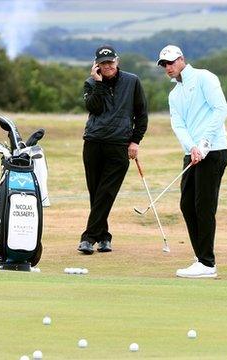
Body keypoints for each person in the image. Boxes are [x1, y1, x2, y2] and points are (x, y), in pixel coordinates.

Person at [157, 45, 227, 278]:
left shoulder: (204, 78)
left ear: (182, 59)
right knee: (187, 204)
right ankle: (201, 258)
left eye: (170, 62)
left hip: (214, 150)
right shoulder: (174, 94)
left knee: (204, 206)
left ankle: (207, 263)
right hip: (193, 153)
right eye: (164, 64)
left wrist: (204, 142)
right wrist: (192, 147)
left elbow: (221, 109)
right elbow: (178, 125)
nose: (167, 67)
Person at [78, 45, 148, 255]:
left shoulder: (132, 81)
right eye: (103, 63)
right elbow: (94, 108)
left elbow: (141, 114)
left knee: (107, 192)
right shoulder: (90, 83)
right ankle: (104, 237)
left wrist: (135, 141)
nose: (107, 66)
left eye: (110, 62)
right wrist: (98, 84)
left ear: (117, 61)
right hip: (93, 143)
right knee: (96, 192)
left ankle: (88, 238)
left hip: (119, 144)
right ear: (96, 65)